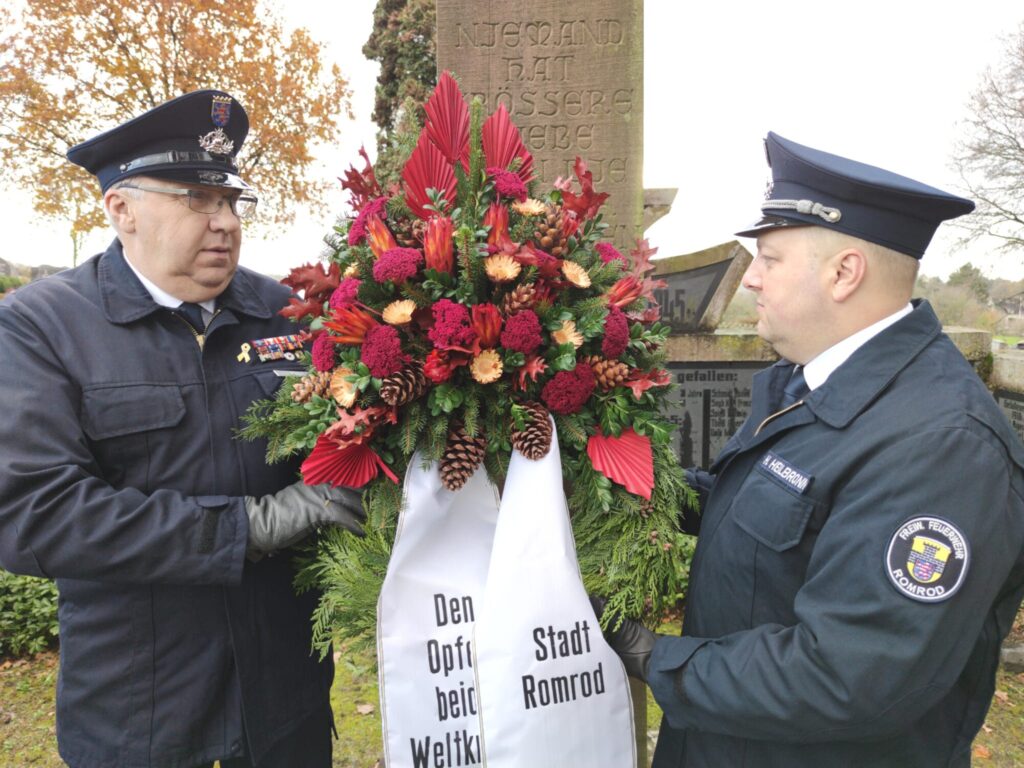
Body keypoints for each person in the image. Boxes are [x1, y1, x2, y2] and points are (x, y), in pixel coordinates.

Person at [599, 132, 1024, 767]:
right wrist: (630, 482)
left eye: (769, 259)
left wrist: (651, 655)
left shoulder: (941, 448)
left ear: (844, 272)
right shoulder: (808, 378)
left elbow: (848, 674)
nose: (753, 282)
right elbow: (766, 515)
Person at [0, 90, 365, 768]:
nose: (223, 220)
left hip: (284, 708)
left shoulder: (286, 315)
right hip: (140, 720)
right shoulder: (42, 328)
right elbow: (33, 514)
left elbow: (353, 447)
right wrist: (248, 527)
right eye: (196, 199)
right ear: (121, 209)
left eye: (231, 200)